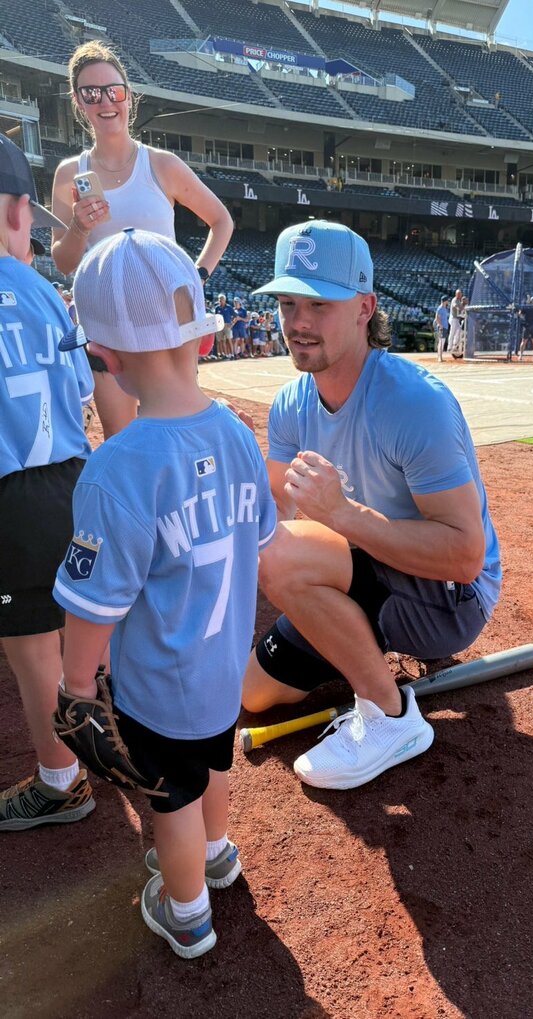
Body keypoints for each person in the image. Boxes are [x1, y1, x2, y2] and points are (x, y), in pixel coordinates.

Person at [53, 227, 276, 957]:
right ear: (205, 339)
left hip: (158, 683)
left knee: (168, 800)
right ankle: (217, 853)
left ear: (103, 358)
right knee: (213, 764)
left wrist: (78, 685)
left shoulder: (118, 466)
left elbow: (91, 606)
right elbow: (259, 542)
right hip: (223, 668)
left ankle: (187, 913)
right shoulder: (242, 434)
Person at [241, 221, 502, 791]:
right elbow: (276, 511)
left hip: (447, 600)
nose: (298, 323)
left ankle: (390, 716)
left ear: (365, 308)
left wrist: (343, 516)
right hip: (367, 564)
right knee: (254, 695)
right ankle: (359, 642)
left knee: (280, 559)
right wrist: (237, 467)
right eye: (287, 303)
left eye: (319, 303)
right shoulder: (290, 404)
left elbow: (464, 557)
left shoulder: (414, 404)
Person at [50, 40, 233, 439]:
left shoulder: (163, 165)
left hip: (167, 329)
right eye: (91, 93)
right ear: (78, 102)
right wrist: (80, 228)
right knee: (123, 441)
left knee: (175, 433)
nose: (105, 101)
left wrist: (197, 277)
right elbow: (64, 264)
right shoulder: (69, 174)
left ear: (129, 96)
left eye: (113, 90)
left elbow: (222, 221)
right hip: (104, 329)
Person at [0, 134, 94, 830]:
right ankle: (107, 750)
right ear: (18, 212)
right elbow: (83, 388)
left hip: (13, 493)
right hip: (73, 475)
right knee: (80, 627)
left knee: (31, 644)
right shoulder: (44, 291)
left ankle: (61, 779)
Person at [517, 296, 533, 362]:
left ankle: (521, 356)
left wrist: (521, 309)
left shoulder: (526, 307)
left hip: (527, 325)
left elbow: (520, 314)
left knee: (524, 341)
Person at [448, 288, 467, 357]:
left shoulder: (459, 301)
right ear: (456, 294)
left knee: (458, 331)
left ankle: (454, 345)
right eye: (458, 294)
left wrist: (464, 304)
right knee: (452, 332)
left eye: (460, 294)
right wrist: (459, 308)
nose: (459, 295)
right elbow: (455, 306)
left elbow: (462, 308)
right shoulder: (454, 300)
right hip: (453, 318)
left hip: (457, 319)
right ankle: (449, 347)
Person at [215, 293, 235, 360]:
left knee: (229, 340)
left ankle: (232, 354)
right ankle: (223, 354)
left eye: (222, 299)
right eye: (219, 300)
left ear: (225, 300)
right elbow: (216, 317)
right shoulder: (217, 308)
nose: (221, 301)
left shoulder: (229, 307)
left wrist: (232, 323)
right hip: (219, 325)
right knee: (220, 341)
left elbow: (235, 316)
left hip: (227, 325)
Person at [433, 295, 450, 362]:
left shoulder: (444, 308)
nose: (448, 302)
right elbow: (437, 317)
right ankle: (440, 358)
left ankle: (440, 357)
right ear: (444, 301)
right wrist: (440, 325)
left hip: (445, 326)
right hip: (442, 327)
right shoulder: (440, 308)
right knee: (441, 342)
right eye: (447, 300)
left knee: (442, 342)